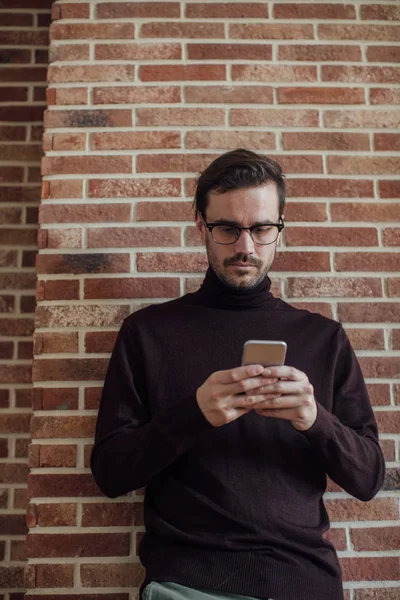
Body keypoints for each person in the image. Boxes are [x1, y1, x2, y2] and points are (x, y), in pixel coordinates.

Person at [90, 149, 385, 600]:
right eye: (228, 228)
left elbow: (369, 480)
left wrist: (314, 419)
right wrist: (192, 414)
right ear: (201, 227)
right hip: (187, 585)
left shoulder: (324, 338)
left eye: (262, 229)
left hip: (303, 582)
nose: (245, 247)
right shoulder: (147, 333)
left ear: (280, 230)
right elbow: (110, 475)